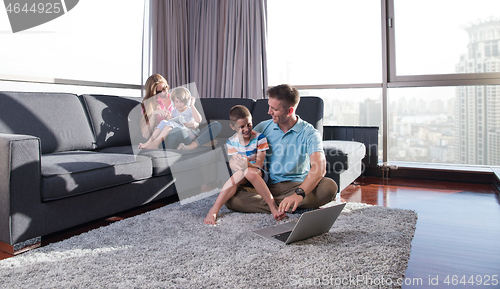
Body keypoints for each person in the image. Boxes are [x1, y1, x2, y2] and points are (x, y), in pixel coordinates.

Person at [225, 84, 338, 215]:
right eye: (269, 106)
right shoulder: (262, 128)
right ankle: (289, 206)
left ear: (289, 111)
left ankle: (282, 204)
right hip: (266, 186)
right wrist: (234, 162)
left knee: (329, 187)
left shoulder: (310, 133)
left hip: (297, 185)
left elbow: (319, 168)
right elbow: (242, 150)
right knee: (230, 198)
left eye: (274, 109)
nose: (269, 112)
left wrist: (298, 194)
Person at [204, 105, 286, 225]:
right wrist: (234, 164)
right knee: (238, 175)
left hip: (259, 173)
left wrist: (247, 164)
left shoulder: (260, 138)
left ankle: (273, 206)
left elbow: (259, 164)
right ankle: (214, 210)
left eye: (249, 124)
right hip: (241, 174)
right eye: (241, 127)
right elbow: (232, 163)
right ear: (232, 127)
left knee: (248, 171)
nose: (246, 129)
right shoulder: (231, 142)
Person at [140, 74, 222, 149]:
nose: (164, 93)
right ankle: (199, 143)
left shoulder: (177, 96)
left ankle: (192, 145)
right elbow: (145, 134)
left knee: (216, 125)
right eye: (158, 92)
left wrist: (196, 125)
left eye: (164, 88)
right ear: (153, 93)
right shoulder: (148, 104)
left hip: (188, 131)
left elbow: (196, 120)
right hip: (168, 137)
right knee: (176, 130)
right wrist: (154, 114)